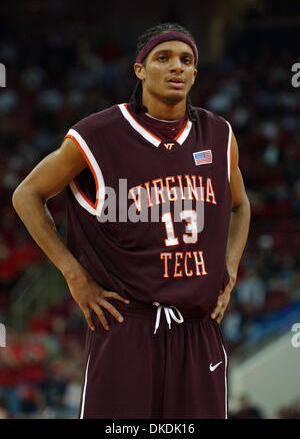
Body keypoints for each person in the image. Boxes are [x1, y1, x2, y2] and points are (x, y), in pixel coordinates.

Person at [12, 23, 251, 419]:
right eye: (164, 58)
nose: (176, 67)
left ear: (194, 74)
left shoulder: (219, 135)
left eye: (186, 61)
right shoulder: (97, 134)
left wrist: (230, 268)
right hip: (128, 324)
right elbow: (26, 194)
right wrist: (73, 275)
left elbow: (241, 206)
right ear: (139, 70)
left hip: (199, 326)